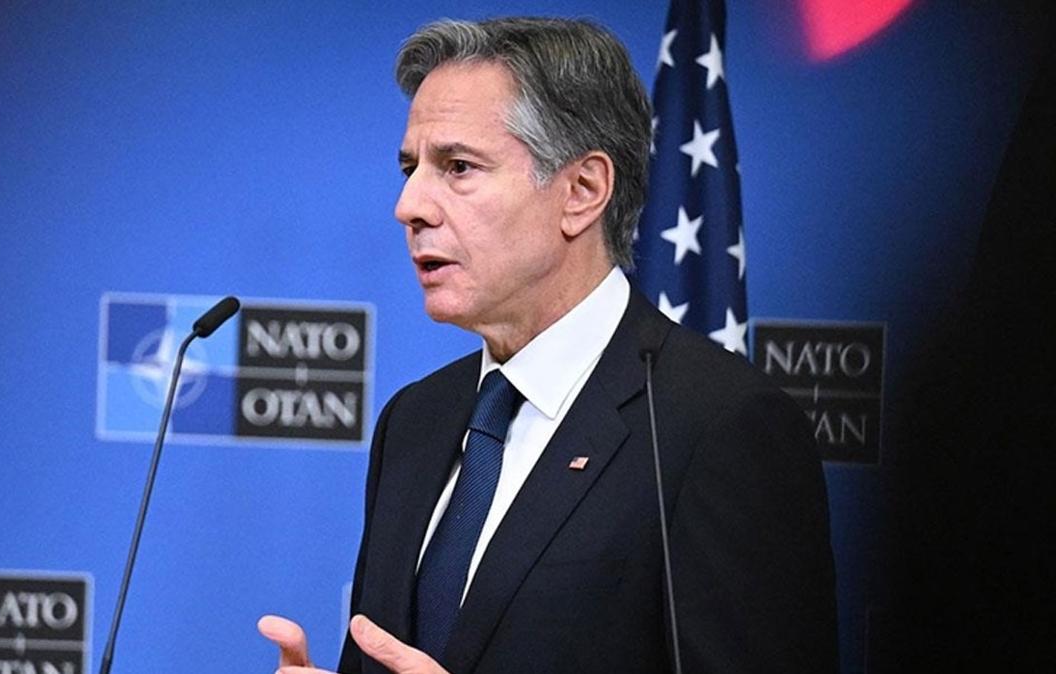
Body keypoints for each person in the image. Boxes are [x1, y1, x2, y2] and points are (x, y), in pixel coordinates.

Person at [259, 17, 837, 674]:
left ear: (582, 192)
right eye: (410, 168)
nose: (409, 205)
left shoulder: (719, 426)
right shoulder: (414, 420)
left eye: (458, 167)